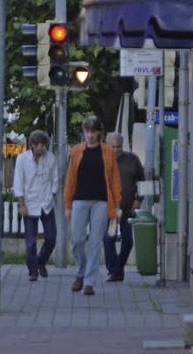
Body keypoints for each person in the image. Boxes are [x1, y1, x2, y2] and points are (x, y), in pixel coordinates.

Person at [64, 115, 121, 296]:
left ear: (99, 134)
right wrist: (67, 205)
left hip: (101, 201)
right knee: (77, 239)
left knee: (96, 242)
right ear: (84, 132)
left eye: (93, 132)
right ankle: (80, 271)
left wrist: (115, 206)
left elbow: (114, 180)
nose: (90, 135)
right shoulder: (76, 151)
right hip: (79, 199)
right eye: (87, 131)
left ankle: (89, 282)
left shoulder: (107, 152)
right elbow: (70, 179)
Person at [12, 129, 59, 281]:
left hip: (46, 203)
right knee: (30, 243)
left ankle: (41, 261)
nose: (42, 148)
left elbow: (55, 179)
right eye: (39, 145)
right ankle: (33, 271)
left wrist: (53, 196)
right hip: (30, 203)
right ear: (32, 145)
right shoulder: (22, 159)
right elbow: (18, 182)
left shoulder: (51, 158)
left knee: (51, 238)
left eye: (44, 145)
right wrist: (21, 204)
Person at [103, 131, 145, 282]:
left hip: (127, 208)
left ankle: (118, 268)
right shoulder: (102, 161)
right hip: (109, 208)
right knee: (109, 239)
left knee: (128, 241)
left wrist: (139, 200)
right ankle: (113, 271)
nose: (115, 151)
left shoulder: (132, 159)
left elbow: (142, 180)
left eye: (118, 147)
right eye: (112, 147)